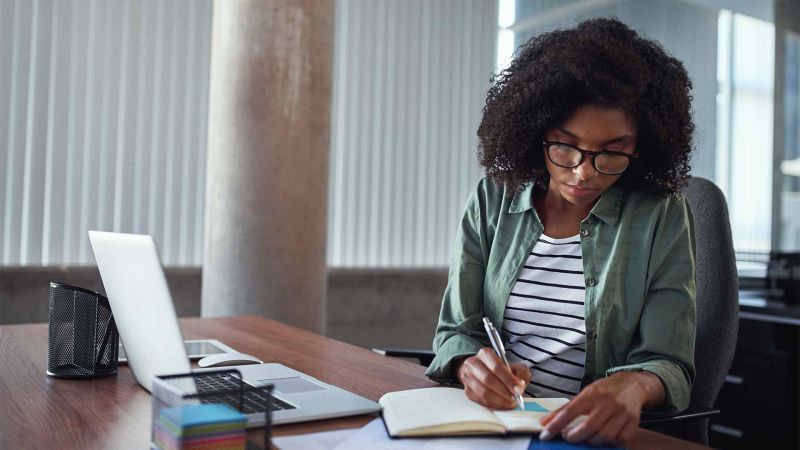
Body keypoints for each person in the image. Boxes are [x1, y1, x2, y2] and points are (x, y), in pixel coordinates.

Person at [425, 18, 696, 447]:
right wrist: (467, 366)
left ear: (641, 146)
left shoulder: (660, 215)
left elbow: (669, 363)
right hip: (494, 425)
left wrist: (635, 386)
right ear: (536, 133)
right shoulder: (492, 200)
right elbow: (456, 331)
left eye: (612, 152)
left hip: (588, 437)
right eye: (565, 146)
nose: (583, 172)